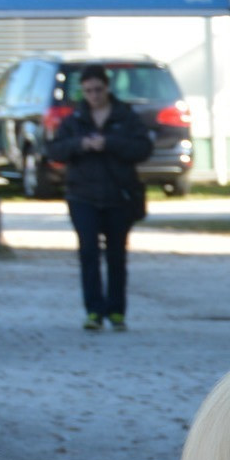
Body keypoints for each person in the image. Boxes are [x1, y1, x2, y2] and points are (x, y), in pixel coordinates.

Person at [45, 64, 152, 331]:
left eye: (98, 89)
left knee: (116, 256)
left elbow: (143, 147)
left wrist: (110, 143)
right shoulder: (74, 119)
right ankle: (93, 311)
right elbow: (55, 150)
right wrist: (81, 144)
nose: (94, 95)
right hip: (82, 195)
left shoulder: (125, 117)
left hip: (118, 196)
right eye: (88, 90)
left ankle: (116, 311)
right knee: (88, 254)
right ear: (82, 91)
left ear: (107, 88)